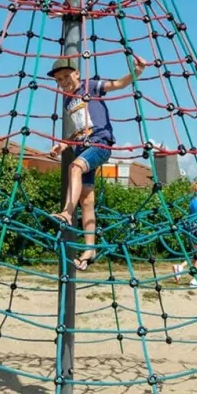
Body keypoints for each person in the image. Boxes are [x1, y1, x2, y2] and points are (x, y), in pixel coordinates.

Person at [50, 52, 150, 270]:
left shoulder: (91, 86)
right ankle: (90, 248)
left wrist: (137, 71)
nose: (63, 82)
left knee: (74, 167)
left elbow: (118, 84)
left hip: (100, 144)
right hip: (82, 147)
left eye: (67, 77)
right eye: (59, 80)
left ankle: (67, 213)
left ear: (77, 74)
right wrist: (64, 144)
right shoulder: (68, 100)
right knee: (87, 200)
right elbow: (78, 129)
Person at [172, 179, 197, 287]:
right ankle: (192, 278)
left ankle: (185, 271)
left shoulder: (192, 201)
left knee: (196, 254)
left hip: (191, 229)